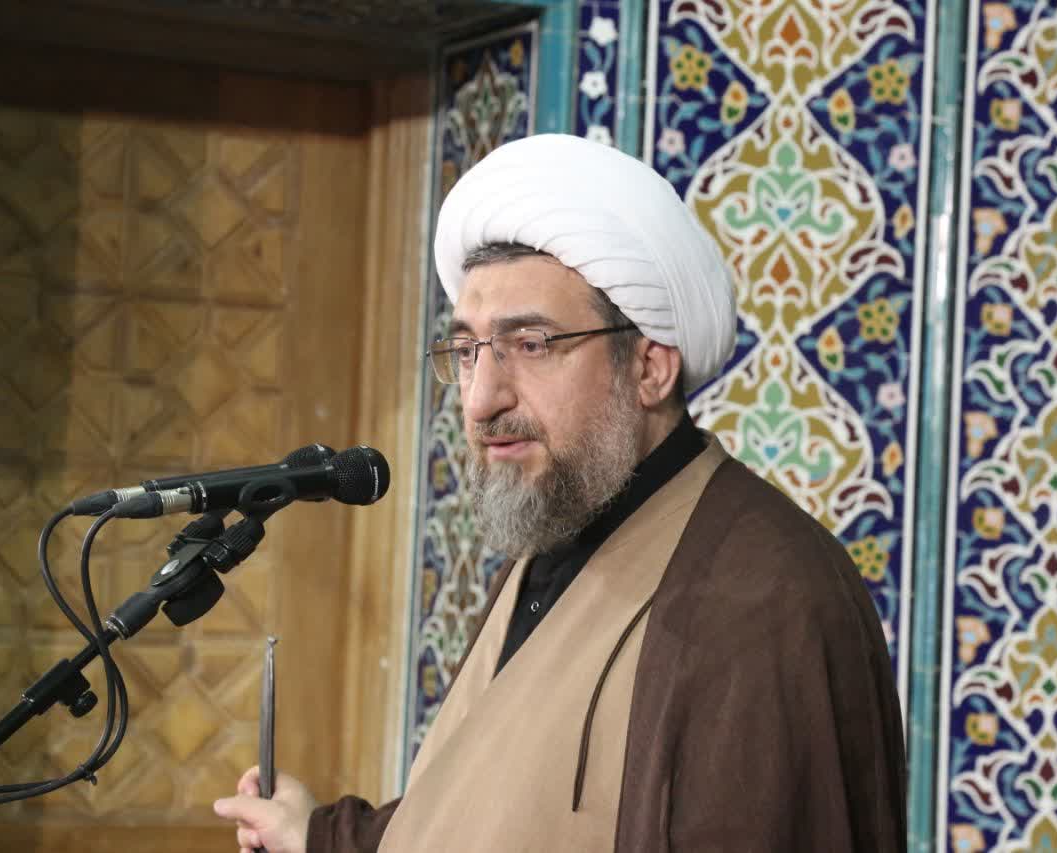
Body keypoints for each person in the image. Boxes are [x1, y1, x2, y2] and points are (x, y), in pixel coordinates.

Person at [214, 134, 907, 852]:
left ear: (649, 368)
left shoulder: (764, 596)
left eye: (532, 344)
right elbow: (491, 814)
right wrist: (320, 836)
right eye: (468, 350)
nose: (481, 399)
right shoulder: (559, 537)